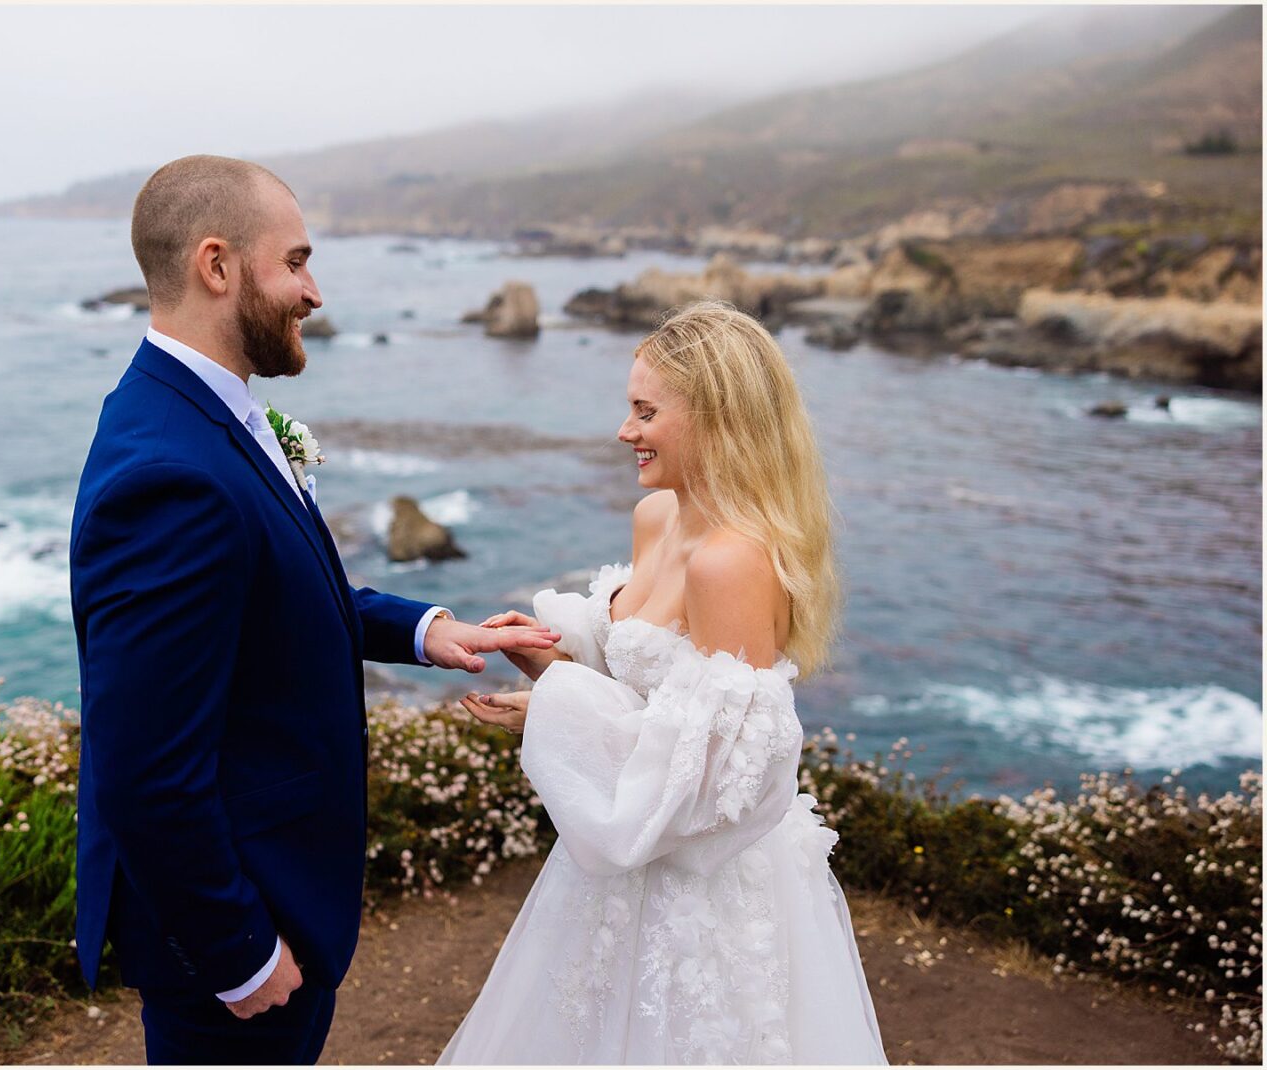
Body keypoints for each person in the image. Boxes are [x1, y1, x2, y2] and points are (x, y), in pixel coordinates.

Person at [68, 154, 557, 1065]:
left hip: (275, 899)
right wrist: (239, 954)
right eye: (294, 262)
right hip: (236, 930)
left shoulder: (201, 415)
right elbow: (145, 765)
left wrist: (425, 628)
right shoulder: (170, 474)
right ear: (217, 266)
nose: (314, 292)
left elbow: (274, 595)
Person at [442, 300, 887, 1064]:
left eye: (646, 411)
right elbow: (654, 704)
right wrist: (549, 665)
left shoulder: (734, 562)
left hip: (697, 889)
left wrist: (553, 707)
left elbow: (717, 781)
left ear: (717, 418)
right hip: (621, 867)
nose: (625, 431)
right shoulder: (657, 518)